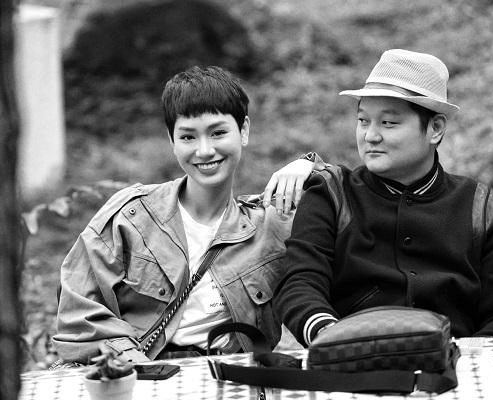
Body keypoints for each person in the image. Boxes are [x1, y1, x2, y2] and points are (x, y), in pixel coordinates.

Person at [53, 66, 322, 364]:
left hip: (232, 376)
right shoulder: (131, 216)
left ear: (244, 130)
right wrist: (136, 366)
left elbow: (344, 210)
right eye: (188, 137)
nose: (204, 150)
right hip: (141, 372)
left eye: (218, 133)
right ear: (172, 141)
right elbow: (78, 311)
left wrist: (310, 167)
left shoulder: (268, 225)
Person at [274, 49, 493, 347]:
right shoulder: (331, 193)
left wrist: (455, 359)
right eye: (363, 121)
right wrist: (332, 337)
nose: (370, 136)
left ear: (435, 128)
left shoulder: (483, 209)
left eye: (388, 123)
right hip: (352, 360)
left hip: (456, 366)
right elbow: (299, 283)